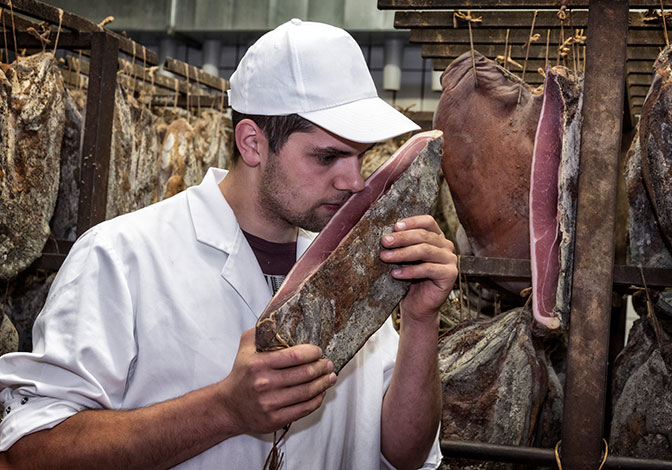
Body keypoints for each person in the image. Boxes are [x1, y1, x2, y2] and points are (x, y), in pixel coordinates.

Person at [0, 19, 457, 469]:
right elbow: (29, 454)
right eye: (327, 156)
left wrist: (421, 319)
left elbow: (405, 453)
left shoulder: (352, 266)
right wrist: (224, 409)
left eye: (359, 156)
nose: (354, 180)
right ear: (253, 143)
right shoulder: (121, 256)